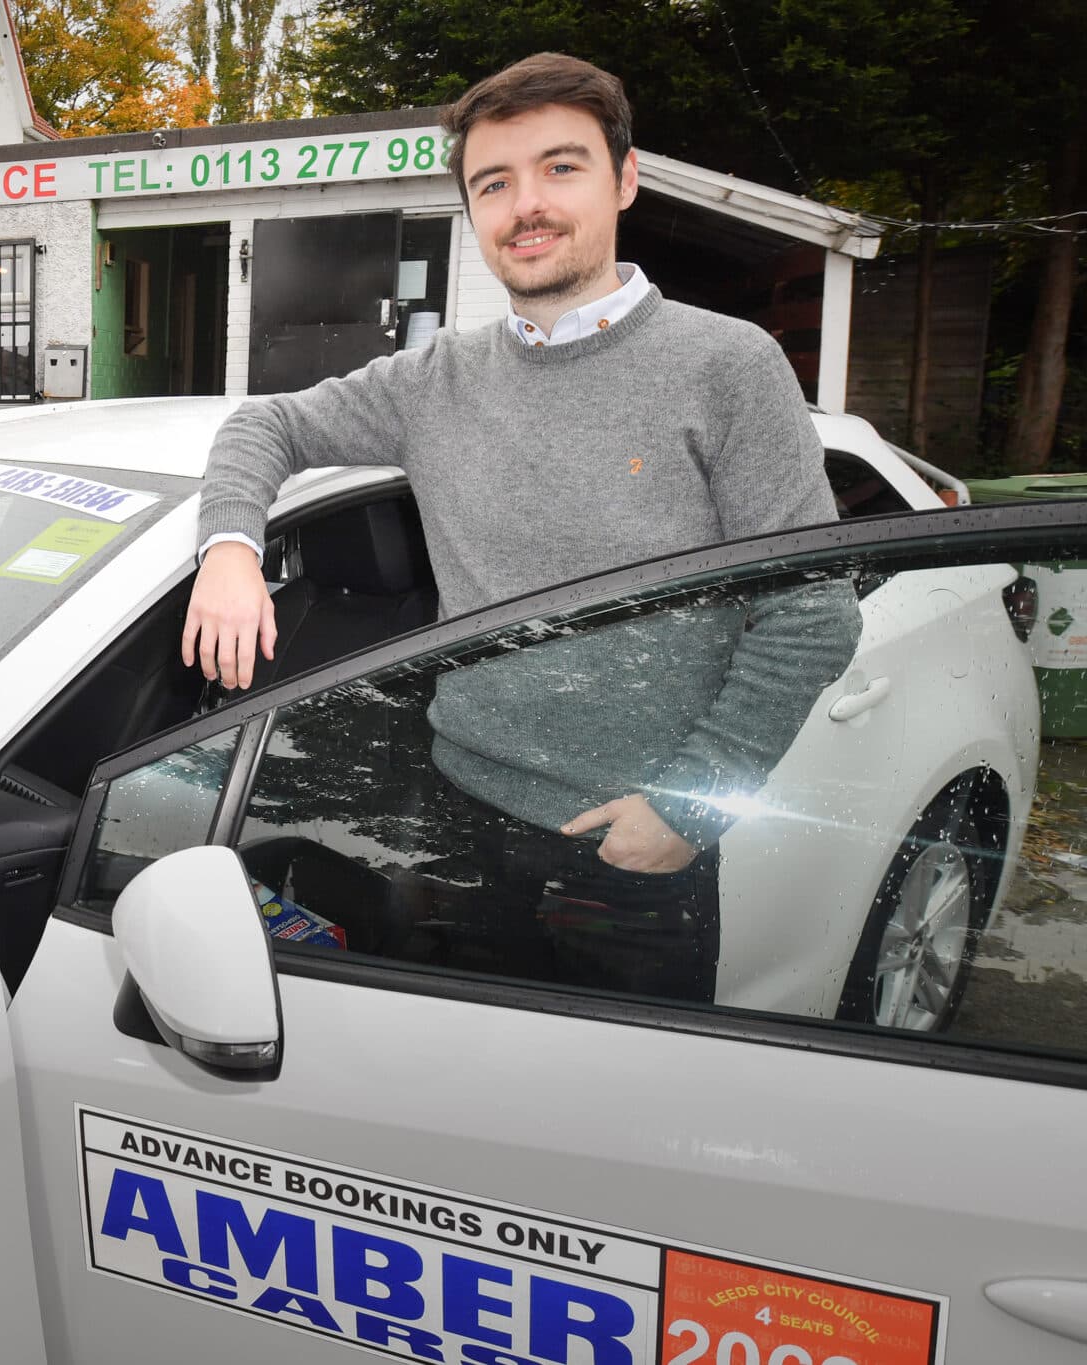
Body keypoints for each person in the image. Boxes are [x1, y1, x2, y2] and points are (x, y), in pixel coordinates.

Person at [179, 53, 860, 1000]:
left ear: (625, 179)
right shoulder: (435, 379)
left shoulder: (728, 366)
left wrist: (688, 809)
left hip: (627, 857)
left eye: (561, 167)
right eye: (493, 183)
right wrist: (229, 550)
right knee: (467, 1109)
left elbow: (814, 611)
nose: (525, 204)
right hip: (450, 823)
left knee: (614, 1126)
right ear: (472, 212)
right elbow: (268, 422)